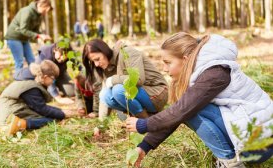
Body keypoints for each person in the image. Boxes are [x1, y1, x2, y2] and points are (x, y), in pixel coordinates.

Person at [126, 33, 273, 167]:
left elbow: (180, 111)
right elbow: (178, 113)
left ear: (185, 59)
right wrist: (145, 146)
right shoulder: (202, 73)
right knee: (187, 107)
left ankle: (230, 163)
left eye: (167, 62)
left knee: (190, 110)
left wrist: (144, 124)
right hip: (253, 137)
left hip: (260, 145)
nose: (164, 69)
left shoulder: (215, 73)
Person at [82, 39, 168, 119]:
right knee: (104, 95)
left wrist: (113, 80)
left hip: (157, 93)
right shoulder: (105, 67)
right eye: (93, 61)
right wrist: (101, 124)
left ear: (104, 51)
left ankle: (144, 122)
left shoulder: (127, 52)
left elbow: (138, 79)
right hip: (139, 93)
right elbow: (104, 99)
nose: (96, 64)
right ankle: (146, 118)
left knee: (118, 90)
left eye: (97, 59)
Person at [0, 60, 74, 136]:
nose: (53, 82)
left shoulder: (33, 79)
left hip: (14, 107)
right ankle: (21, 124)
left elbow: (41, 106)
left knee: (53, 116)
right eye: (53, 79)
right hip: (9, 115)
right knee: (50, 120)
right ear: (45, 77)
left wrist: (61, 111)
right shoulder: (32, 87)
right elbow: (42, 110)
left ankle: (20, 123)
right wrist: (62, 114)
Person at [5, 0, 52, 72]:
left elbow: (35, 30)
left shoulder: (39, 16)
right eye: (45, 10)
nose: (45, 13)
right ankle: (18, 81)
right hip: (14, 37)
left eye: (47, 11)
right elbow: (23, 29)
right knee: (19, 62)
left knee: (32, 61)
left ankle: (33, 81)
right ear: (40, 5)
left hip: (24, 39)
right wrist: (38, 36)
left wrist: (43, 36)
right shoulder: (27, 11)